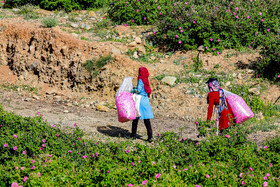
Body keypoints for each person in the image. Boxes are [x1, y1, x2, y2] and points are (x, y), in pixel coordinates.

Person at [130, 67, 154, 142]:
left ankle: (133, 135)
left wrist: (131, 90)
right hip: (145, 100)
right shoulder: (146, 80)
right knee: (147, 120)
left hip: (140, 101)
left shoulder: (140, 80)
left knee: (135, 119)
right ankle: (150, 137)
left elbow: (138, 90)